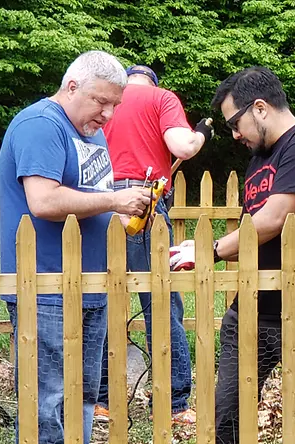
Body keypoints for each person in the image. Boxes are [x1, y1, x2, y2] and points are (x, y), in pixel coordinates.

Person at [0, 50, 151, 444]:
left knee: (83, 394)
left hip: (89, 285)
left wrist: (119, 213)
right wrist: (114, 202)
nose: (107, 114)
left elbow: (89, 194)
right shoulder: (41, 125)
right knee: (47, 396)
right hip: (45, 285)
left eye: (114, 106)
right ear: (71, 87)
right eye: (101, 102)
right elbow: (43, 200)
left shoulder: (91, 132)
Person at [168, 66, 295, 444]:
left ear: (260, 108)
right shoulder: (259, 159)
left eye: (236, 122)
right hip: (251, 309)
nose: (234, 134)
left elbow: (274, 219)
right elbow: (254, 233)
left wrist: (210, 251)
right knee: (227, 415)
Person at [98, 64, 215, 425]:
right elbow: (182, 146)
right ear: (153, 82)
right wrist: (200, 135)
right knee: (162, 301)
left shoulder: (103, 99)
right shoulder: (161, 98)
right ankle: (174, 403)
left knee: (99, 298)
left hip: (97, 203)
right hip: (142, 203)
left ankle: (100, 400)